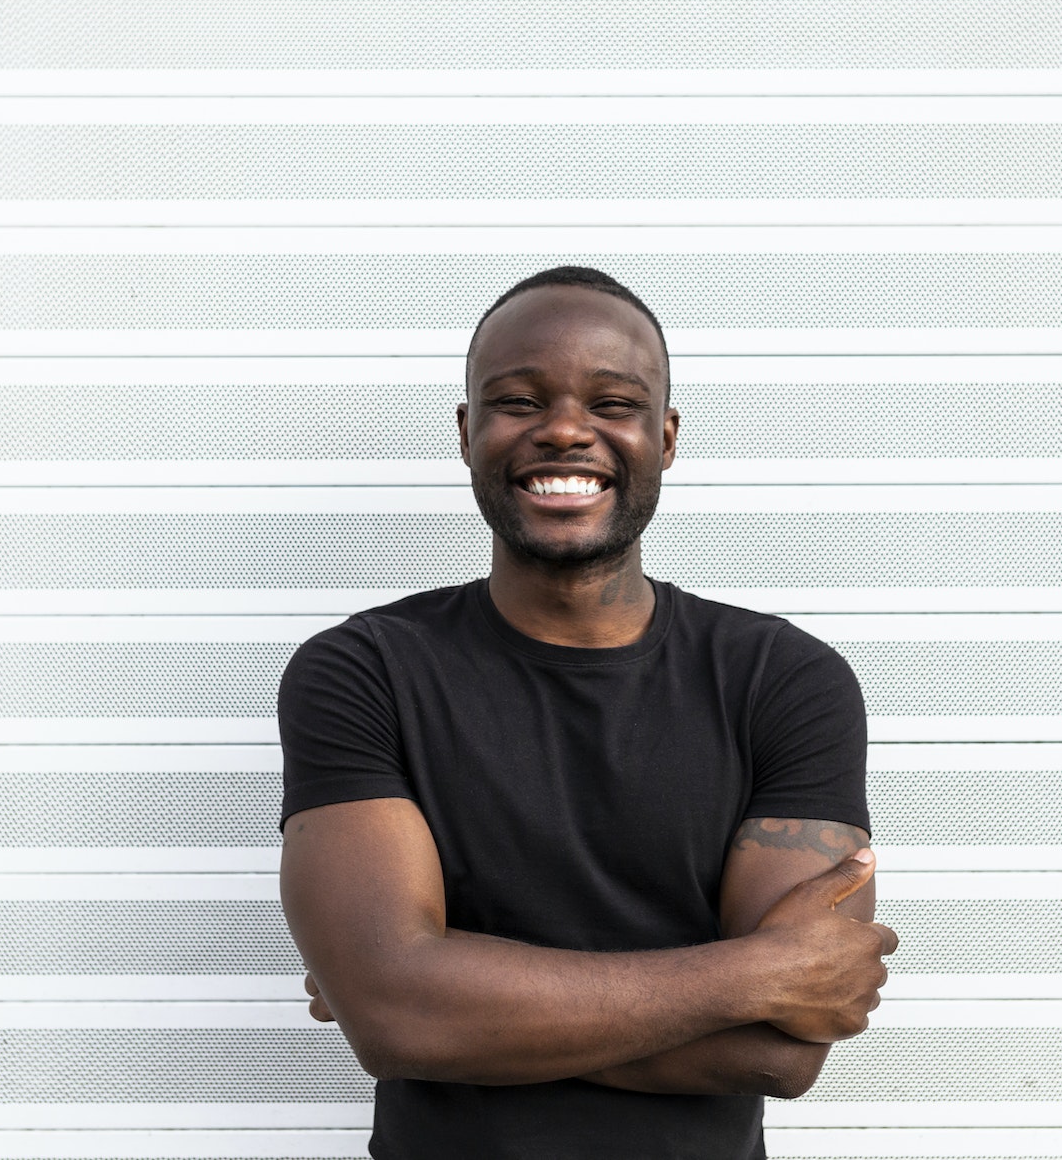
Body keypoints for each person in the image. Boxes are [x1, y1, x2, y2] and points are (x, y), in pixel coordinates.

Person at [277, 266, 895, 1159]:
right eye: (519, 400)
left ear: (667, 436)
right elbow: (396, 1017)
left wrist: (446, 1000)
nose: (566, 429)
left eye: (614, 402)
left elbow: (783, 1049)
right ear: (466, 432)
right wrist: (753, 973)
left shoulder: (784, 680)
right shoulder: (364, 672)